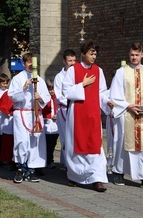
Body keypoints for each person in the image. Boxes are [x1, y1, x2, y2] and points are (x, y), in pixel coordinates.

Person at [109, 42, 143, 191]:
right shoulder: (121, 72)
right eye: (132, 55)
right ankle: (118, 172)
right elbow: (115, 95)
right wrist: (129, 106)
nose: (134, 57)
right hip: (126, 114)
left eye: (137, 55)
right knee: (122, 144)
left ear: (142, 55)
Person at [62, 40, 109, 192]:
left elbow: (102, 91)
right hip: (77, 113)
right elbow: (66, 92)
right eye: (91, 53)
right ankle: (75, 176)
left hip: (93, 112)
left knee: (95, 144)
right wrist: (82, 84)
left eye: (95, 53)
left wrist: (108, 102)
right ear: (83, 54)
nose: (94, 56)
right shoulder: (73, 70)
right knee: (77, 144)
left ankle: (97, 178)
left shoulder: (98, 70)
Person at [8, 52, 51, 183]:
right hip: (21, 113)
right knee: (22, 141)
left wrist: (40, 97)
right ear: (24, 63)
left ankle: (31, 169)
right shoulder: (18, 78)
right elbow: (12, 96)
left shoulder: (40, 79)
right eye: (28, 62)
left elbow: (46, 97)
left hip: (35, 113)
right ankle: (21, 167)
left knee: (34, 142)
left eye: (33, 62)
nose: (31, 65)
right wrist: (24, 88)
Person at [53, 49, 76, 166]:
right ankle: (68, 164)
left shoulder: (78, 74)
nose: (72, 63)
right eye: (69, 61)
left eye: (74, 60)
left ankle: (74, 162)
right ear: (64, 61)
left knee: (75, 137)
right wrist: (70, 102)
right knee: (66, 137)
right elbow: (59, 95)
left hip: (76, 108)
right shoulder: (59, 77)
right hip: (64, 109)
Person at [42, 79, 59, 169]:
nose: (51, 91)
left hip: (56, 125)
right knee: (47, 143)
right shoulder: (45, 98)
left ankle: (50, 159)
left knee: (53, 143)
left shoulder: (57, 98)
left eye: (52, 89)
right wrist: (48, 117)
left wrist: (57, 115)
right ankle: (48, 160)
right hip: (47, 124)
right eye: (49, 89)